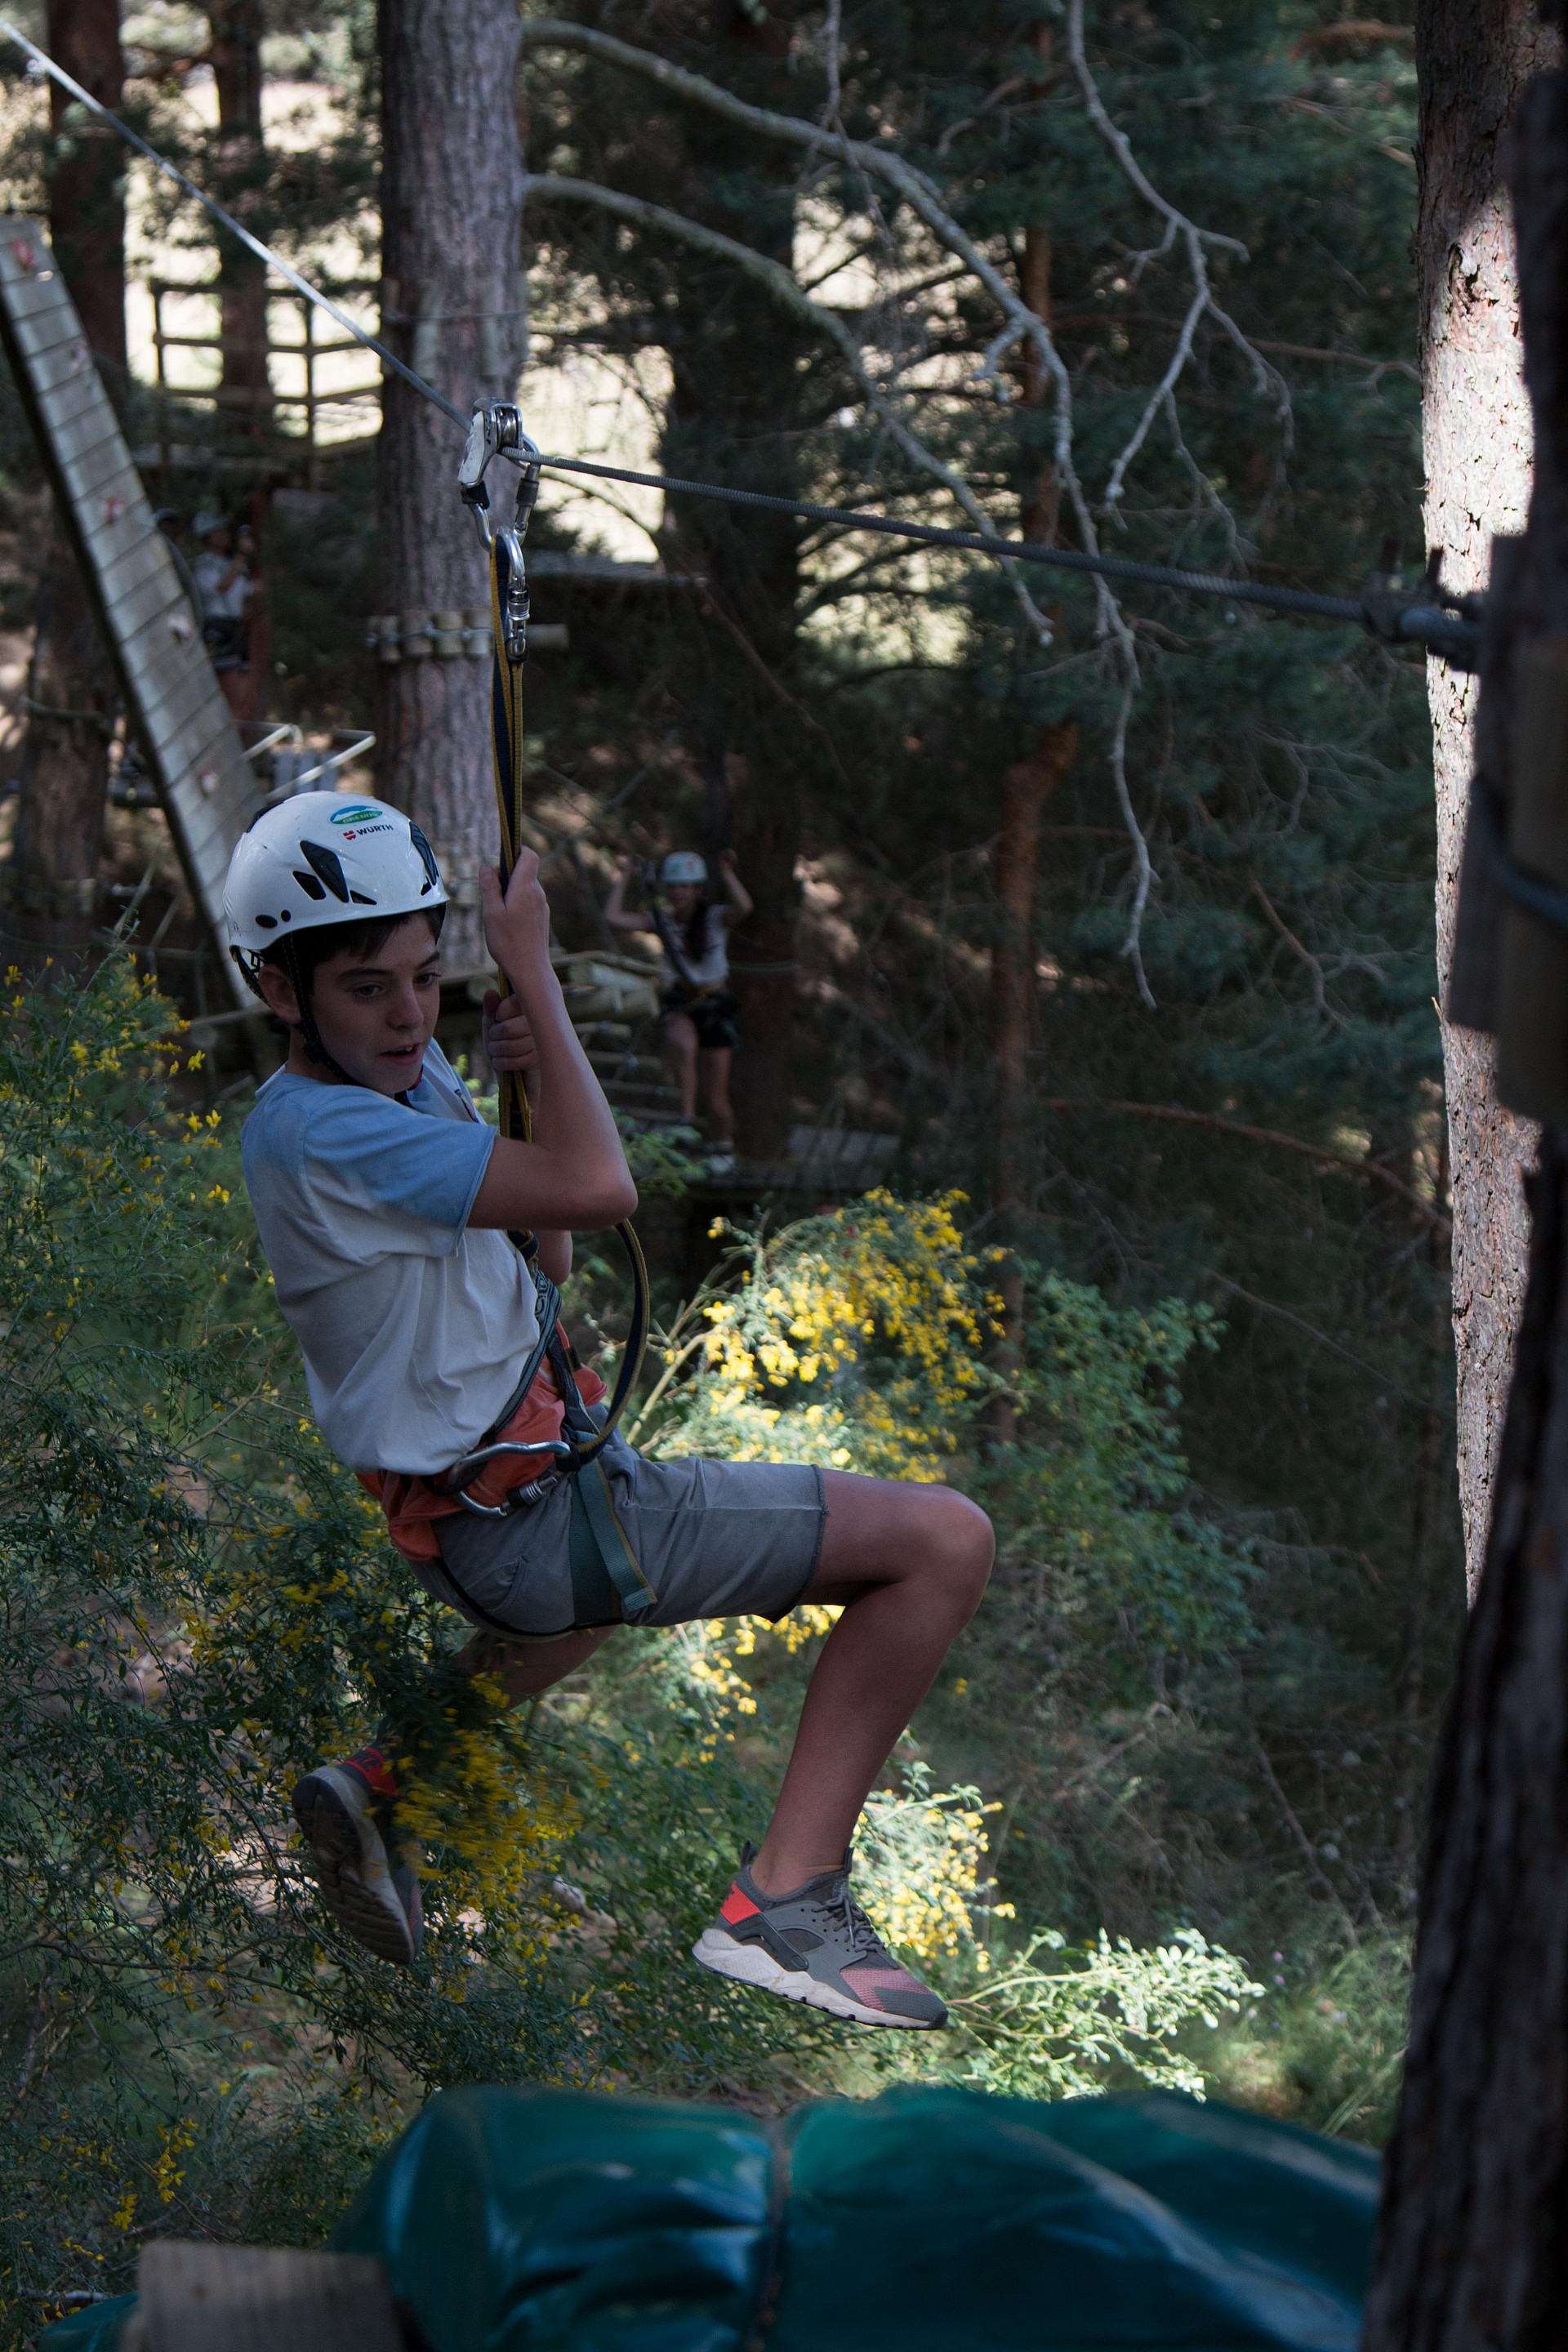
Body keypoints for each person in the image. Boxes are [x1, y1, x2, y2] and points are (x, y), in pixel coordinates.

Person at [228, 793, 992, 2029]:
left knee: (579, 1616)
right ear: (279, 990)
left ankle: (382, 1785)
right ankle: (786, 1900)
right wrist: (534, 970)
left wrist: (521, 1089)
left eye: (427, 978)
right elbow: (599, 1190)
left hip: (507, 1521)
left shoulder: (391, 1096)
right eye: (368, 989)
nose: (412, 1014)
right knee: (944, 1542)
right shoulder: (331, 1134)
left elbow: (552, 1259)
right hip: (536, 1516)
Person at [604, 849, 751, 1179]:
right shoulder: (662, 919)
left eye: (686, 886)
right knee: (680, 1041)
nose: (678, 893)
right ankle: (685, 1119)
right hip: (681, 1002)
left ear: (698, 889)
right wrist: (626, 875)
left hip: (715, 1004)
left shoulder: (715, 917)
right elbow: (614, 917)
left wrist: (727, 872)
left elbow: (744, 907)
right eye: (673, 887)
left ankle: (721, 1143)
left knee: (715, 1098)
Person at [191, 508, 258, 722]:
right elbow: (222, 586)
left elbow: (243, 593)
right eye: (217, 532)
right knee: (221, 683)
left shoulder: (231, 564)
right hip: (216, 627)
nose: (224, 536)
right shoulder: (203, 565)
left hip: (236, 628)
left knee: (240, 687)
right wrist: (242, 557)